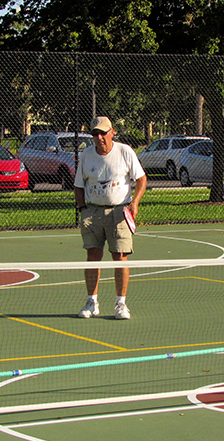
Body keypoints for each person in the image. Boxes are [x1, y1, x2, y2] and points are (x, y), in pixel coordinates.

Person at [74, 116, 147, 320]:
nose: (99, 138)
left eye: (103, 133)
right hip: (93, 212)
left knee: (120, 257)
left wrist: (135, 203)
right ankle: (92, 302)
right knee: (92, 257)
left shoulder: (125, 151)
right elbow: (79, 185)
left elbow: (141, 179)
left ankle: (121, 304)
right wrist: (83, 209)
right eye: (95, 134)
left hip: (119, 212)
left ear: (112, 132)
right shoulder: (86, 155)